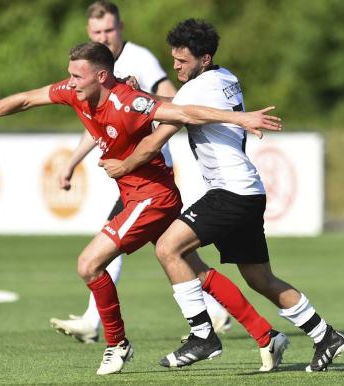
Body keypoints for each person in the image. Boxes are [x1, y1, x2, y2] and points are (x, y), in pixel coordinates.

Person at [0, 42, 282, 375]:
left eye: (77, 76)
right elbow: (25, 100)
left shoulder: (130, 101)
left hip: (153, 197)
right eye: (69, 74)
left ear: (101, 76)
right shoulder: (75, 92)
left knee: (89, 264)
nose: (70, 82)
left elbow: (185, 111)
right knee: (195, 271)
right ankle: (267, 336)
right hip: (135, 196)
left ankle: (118, 344)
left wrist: (240, 119)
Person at [99, 18, 344, 373]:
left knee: (168, 247)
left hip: (230, 192)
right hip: (248, 191)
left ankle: (202, 334)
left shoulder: (196, 90)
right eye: (173, 59)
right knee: (259, 278)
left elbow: (157, 134)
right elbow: (176, 103)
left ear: (204, 57)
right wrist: (140, 94)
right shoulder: (225, 77)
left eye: (182, 61)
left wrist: (124, 166)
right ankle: (325, 335)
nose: (175, 66)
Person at [49, 0, 231, 346]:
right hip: (128, 176)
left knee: (111, 244)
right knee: (173, 250)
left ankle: (96, 322)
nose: (106, 35)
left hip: (150, 173)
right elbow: (100, 124)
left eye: (110, 29)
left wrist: (140, 99)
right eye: (98, 31)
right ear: (90, 33)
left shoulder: (139, 58)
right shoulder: (92, 67)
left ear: (120, 27)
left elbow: (170, 99)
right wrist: (73, 161)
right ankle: (217, 310)